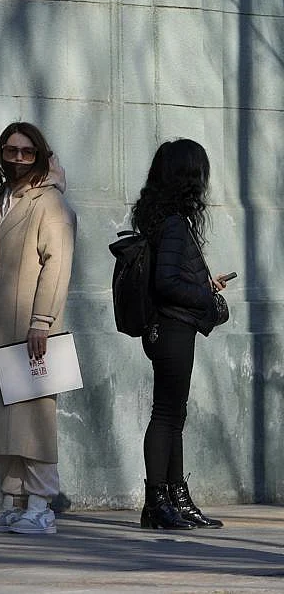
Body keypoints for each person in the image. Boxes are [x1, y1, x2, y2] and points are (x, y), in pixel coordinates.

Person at [0, 121, 76, 535]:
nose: (18, 158)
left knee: (33, 413)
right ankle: (11, 501)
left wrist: (42, 320)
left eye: (28, 152)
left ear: (41, 155)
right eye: (11, 150)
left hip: (30, 322)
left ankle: (42, 504)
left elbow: (56, 264)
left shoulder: (49, 203)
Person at [131, 139, 230, 530]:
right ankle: (157, 501)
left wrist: (203, 280)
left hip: (172, 327)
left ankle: (175, 497)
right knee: (167, 414)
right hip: (172, 326)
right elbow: (166, 283)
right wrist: (203, 292)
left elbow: (172, 276)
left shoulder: (167, 219)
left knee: (174, 415)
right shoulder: (173, 223)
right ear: (189, 176)